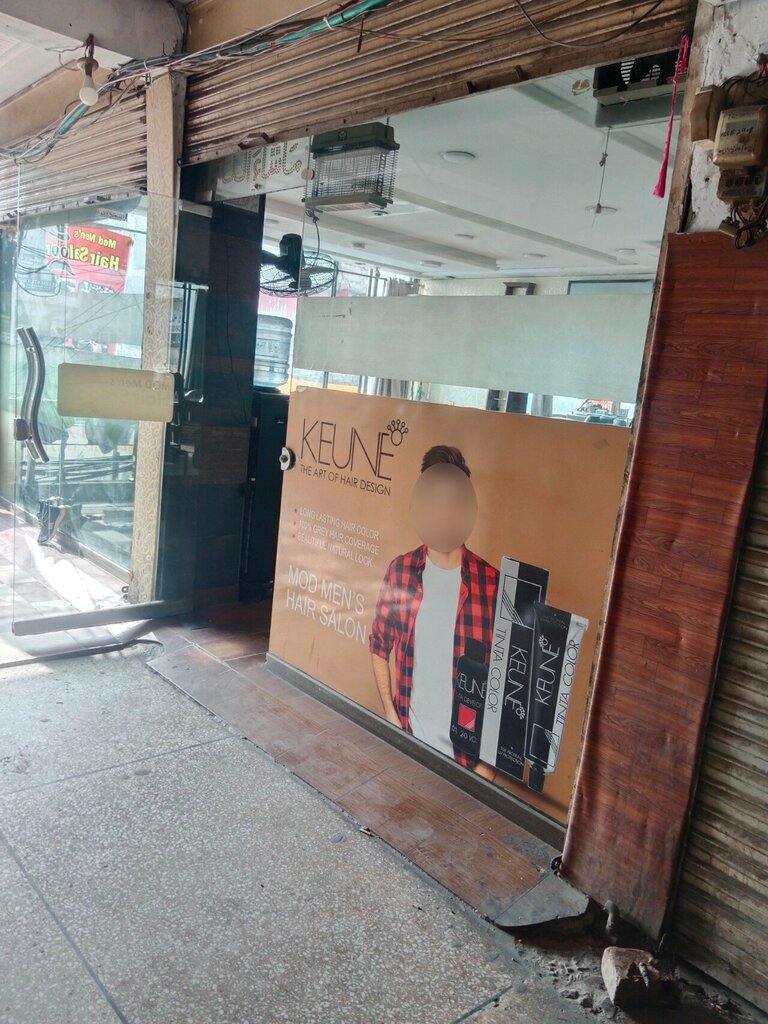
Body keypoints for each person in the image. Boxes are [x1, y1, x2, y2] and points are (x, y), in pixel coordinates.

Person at [369, 445, 499, 773]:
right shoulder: (401, 571)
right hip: (410, 745)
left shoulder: (491, 585)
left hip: (467, 762)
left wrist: (488, 765)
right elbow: (379, 644)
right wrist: (390, 714)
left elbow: (506, 683)